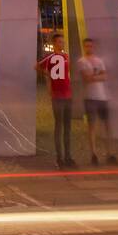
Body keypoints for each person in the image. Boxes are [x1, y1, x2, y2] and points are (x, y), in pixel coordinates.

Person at [76, 36, 118, 166]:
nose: (89, 48)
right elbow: (86, 78)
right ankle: (93, 153)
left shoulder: (99, 61)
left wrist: (93, 76)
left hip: (102, 96)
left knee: (107, 126)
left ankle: (110, 153)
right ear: (84, 47)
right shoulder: (82, 61)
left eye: (90, 46)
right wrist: (97, 76)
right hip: (90, 97)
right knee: (92, 126)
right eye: (87, 46)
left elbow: (104, 76)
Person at [36, 33, 76, 169]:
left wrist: (48, 76)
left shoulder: (62, 57)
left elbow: (66, 73)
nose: (62, 44)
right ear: (54, 44)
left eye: (62, 42)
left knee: (66, 127)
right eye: (59, 42)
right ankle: (61, 158)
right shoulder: (54, 57)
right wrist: (48, 76)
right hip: (59, 95)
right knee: (60, 126)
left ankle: (67, 156)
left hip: (66, 94)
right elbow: (37, 66)